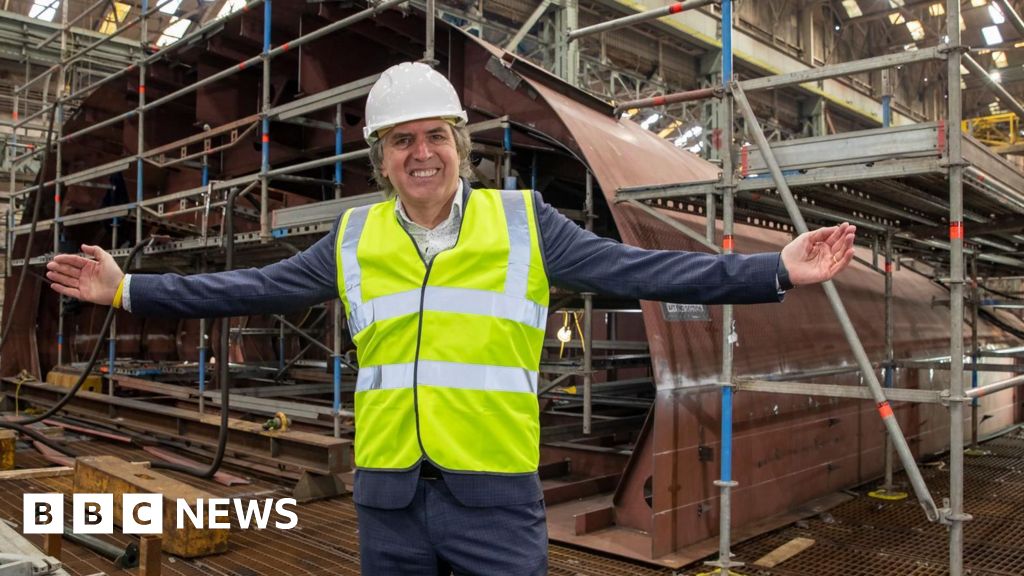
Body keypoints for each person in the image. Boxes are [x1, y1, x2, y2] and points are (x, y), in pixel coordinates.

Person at [47, 62, 856, 575]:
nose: (421, 153)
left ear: (459, 145)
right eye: (401, 142)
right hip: (388, 504)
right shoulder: (355, 238)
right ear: (381, 157)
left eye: (435, 136)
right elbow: (246, 290)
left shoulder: (523, 225)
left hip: (494, 503)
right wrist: (128, 289)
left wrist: (774, 268)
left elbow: (645, 269)